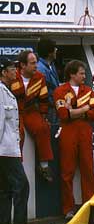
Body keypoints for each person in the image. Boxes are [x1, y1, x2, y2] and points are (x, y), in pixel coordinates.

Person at [54, 60, 94, 219]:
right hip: (68, 132)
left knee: (88, 169)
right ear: (72, 74)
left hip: (85, 132)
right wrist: (85, 108)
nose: (84, 76)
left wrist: (75, 110)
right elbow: (64, 115)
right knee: (67, 172)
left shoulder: (88, 90)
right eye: (81, 73)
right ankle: (68, 209)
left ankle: (90, 206)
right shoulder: (60, 91)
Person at [10, 50, 53, 181]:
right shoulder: (12, 75)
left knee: (42, 128)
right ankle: (17, 168)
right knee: (19, 134)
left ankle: (44, 166)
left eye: (36, 63)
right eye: (33, 63)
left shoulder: (40, 77)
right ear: (23, 65)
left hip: (30, 110)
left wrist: (44, 116)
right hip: (14, 110)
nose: (36, 66)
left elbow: (44, 99)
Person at [0, 56, 31, 224]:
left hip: (7, 148)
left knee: (5, 187)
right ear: (4, 72)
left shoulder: (5, 90)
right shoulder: (1, 92)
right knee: (21, 185)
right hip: (5, 150)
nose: (15, 71)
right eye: (12, 69)